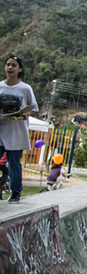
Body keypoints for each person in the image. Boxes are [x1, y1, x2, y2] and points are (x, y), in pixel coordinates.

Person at [0, 54, 38, 203]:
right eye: (8, 65)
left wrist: (25, 115)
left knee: (14, 163)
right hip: (1, 130)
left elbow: (32, 108)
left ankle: (16, 192)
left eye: (14, 65)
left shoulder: (25, 88)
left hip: (16, 132)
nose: (10, 68)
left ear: (20, 69)